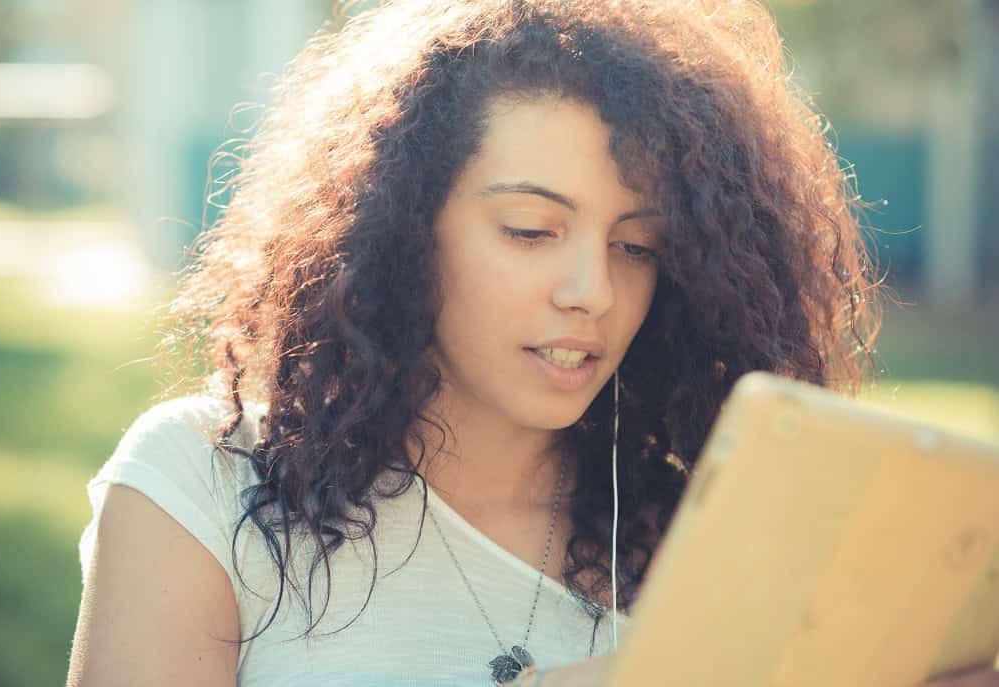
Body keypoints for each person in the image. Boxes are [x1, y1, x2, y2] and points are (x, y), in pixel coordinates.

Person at [64, 1, 998, 686]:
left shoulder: (709, 546)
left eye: (637, 246)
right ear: (399, 231)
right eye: (529, 230)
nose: (593, 291)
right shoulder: (205, 483)